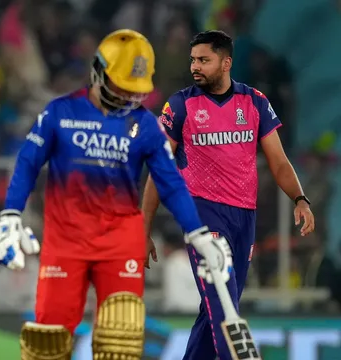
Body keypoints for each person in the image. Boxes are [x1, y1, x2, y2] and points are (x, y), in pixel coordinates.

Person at [0, 29, 232, 360]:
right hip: (65, 240)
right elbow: (28, 162)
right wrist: (11, 214)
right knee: (48, 341)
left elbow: (171, 183)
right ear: (98, 71)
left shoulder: (146, 125)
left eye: (135, 90)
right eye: (121, 86)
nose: (128, 96)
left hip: (119, 241)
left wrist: (199, 233)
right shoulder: (60, 112)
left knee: (121, 338)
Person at [141, 30, 315, 360]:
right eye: (193, 60)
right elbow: (160, 169)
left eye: (204, 60)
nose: (195, 66)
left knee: (219, 306)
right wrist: (143, 225)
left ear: (226, 63)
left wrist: (300, 199)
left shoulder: (254, 102)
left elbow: (278, 161)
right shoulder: (180, 105)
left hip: (243, 217)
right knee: (221, 299)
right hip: (201, 215)